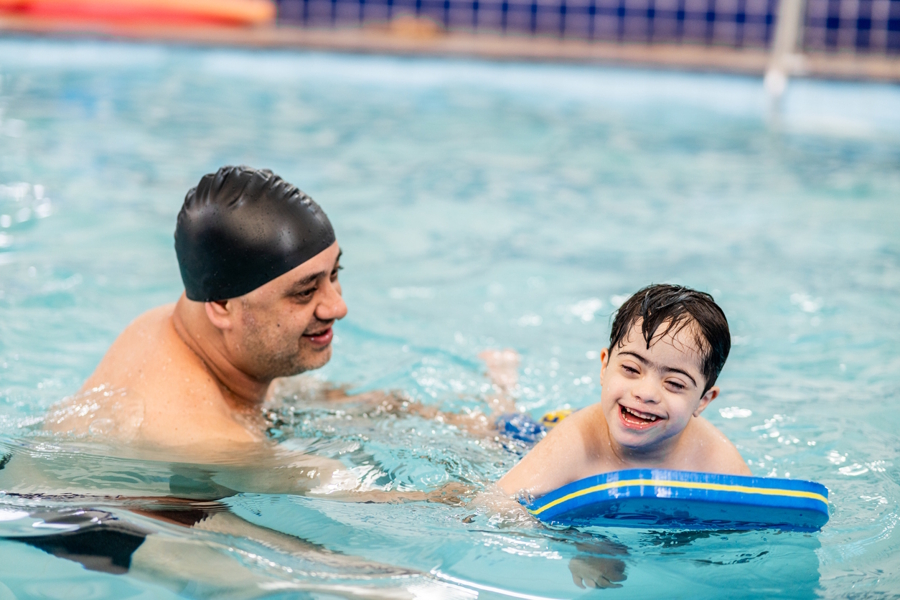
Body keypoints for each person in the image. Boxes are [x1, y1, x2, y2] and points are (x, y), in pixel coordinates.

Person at [498, 284, 751, 500]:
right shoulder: (574, 443)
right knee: (504, 428)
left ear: (703, 401)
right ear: (604, 366)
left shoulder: (715, 460)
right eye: (631, 368)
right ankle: (503, 386)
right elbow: (494, 506)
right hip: (545, 430)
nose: (646, 392)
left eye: (674, 383)